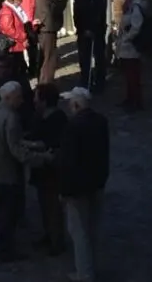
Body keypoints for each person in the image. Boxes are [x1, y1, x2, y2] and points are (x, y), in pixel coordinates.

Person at [0, 81, 49, 264]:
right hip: (4, 173)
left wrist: (32, 146)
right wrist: (41, 158)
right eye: (18, 97)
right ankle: (4, 250)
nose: (22, 100)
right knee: (7, 214)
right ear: (8, 98)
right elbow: (16, 150)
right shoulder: (11, 117)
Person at [59, 87, 110, 282]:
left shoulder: (73, 127)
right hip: (97, 182)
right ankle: (91, 268)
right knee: (92, 229)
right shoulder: (101, 121)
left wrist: (64, 191)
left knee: (79, 233)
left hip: (78, 188)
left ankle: (85, 274)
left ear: (76, 104)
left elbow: (68, 163)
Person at [28, 83, 67, 255]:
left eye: (37, 96)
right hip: (41, 168)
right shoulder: (40, 115)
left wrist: (28, 144)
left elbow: (52, 142)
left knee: (52, 207)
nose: (34, 100)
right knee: (44, 204)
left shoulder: (57, 118)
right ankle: (48, 234)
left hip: (52, 170)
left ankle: (56, 241)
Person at [73, 0, 108, 92]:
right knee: (84, 57)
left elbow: (98, 11)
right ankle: (85, 78)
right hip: (82, 29)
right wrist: (79, 26)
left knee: (98, 56)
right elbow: (77, 6)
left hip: (96, 30)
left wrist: (92, 28)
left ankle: (99, 82)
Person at [116, 0, 148, 110]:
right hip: (128, 46)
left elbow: (136, 27)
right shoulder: (133, 6)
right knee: (129, 75)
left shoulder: (136, 7)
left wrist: (126, 39)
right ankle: (130, 98)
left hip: (131, 47)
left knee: (133, 75)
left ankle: (136, 101)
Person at [34, 0, 68, 85]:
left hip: (46, 28)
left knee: (45, 58)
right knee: (48, 59)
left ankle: (44, 83)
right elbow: (57, 8)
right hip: (47, 29)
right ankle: (46, 85)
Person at [12, 0, 41, 78]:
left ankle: (22, 68)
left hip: (17, 17)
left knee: (19, 44)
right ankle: (33, 68)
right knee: (32, 46)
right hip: (30, 18)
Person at [0, 0, 29, 79]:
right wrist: (23, 37)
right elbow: (8, 30)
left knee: (20, 71)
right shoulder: (7, 11)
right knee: (17, 72)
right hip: (13, 47)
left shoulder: (13, 9)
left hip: (17, 46)